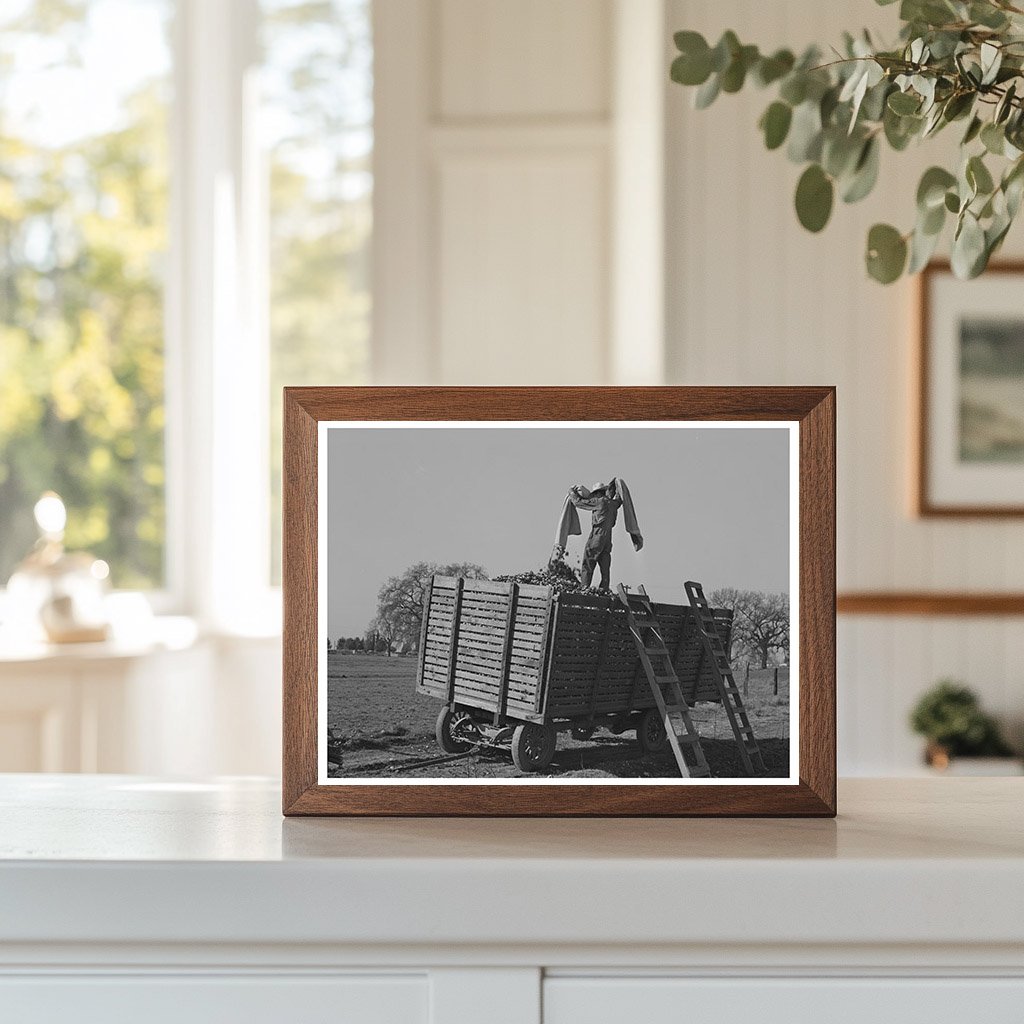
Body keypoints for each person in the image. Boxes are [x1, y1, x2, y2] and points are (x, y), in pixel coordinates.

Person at [551, 477, 643, 590]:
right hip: (608, 539)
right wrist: (618, 485)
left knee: (587, 563)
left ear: (598, 493)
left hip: (597, 536)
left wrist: (571, 492)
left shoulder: (599, 502)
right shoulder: (613, 504)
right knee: (605, 566)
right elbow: (620, 499)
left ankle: (584, 588)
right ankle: (604, 589)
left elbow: (578, 502)